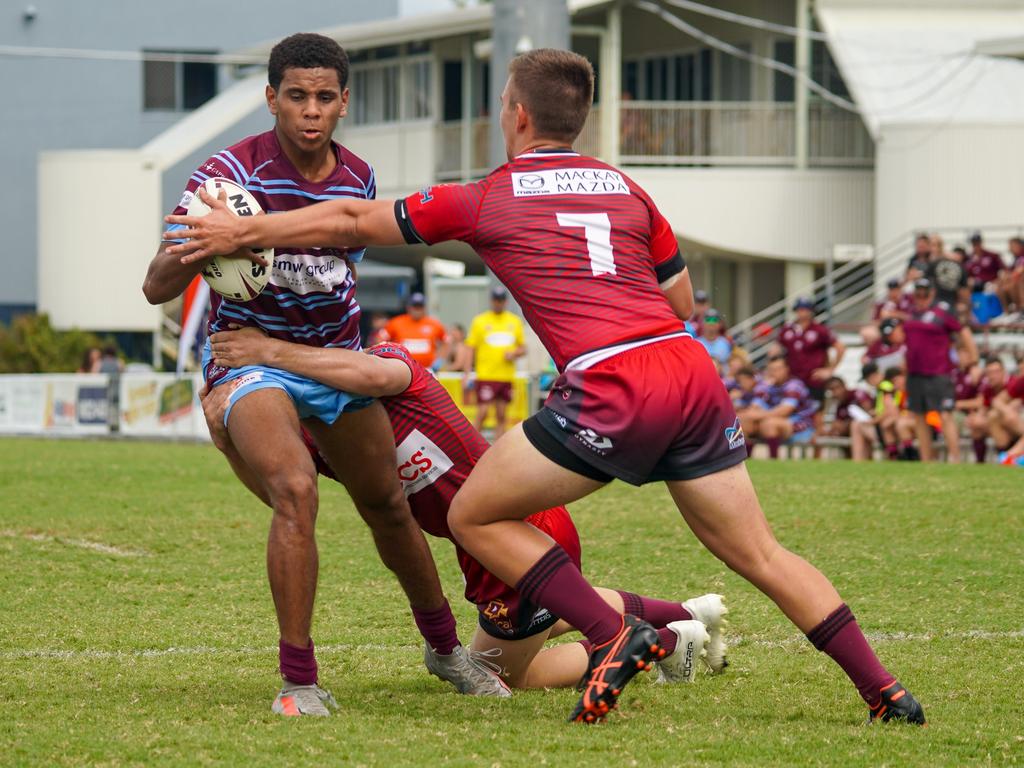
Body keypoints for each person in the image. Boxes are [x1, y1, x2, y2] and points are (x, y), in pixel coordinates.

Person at [164, 48, 926, 726]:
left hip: (613, 383)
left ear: (517, 115)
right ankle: (885, 690)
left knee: (473, 513)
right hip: (691, 372)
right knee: (760, 552)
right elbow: (685, 305)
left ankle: (610, 633)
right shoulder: (627, 190)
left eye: (501, 105)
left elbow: (354, 220)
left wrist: (243, 235)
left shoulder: (488, 196)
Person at [143, 33, 463, 717]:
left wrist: (259, 241)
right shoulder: (226, 177)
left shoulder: (359, 179)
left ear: (344, 102)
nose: (310, 110)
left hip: (332, 363)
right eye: (296, 96)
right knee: (295, 490)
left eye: (324, 97)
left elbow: (337, 276)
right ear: (272, 99)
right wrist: (198, 242)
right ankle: (298, 681)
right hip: (247, 362)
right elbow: (154, 286)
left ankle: (445, 649)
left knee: (388, 507)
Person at [203, 328, 727, 690]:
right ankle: (685, 616)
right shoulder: (324, 439)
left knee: (506, 673)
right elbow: (283, 499)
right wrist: (229, 441)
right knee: (552, 614)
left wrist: (269, 351)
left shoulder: (386, 365)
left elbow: (368, 377)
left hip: (509, 531)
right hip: (496, 541)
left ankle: (658, 642)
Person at [903, 278, 978, 462]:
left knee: (945, 414)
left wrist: (973, 359)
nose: (921, 296)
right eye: (918, 292)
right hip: (915, 373)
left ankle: (955, 458)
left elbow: (963, 332)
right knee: (919, 416)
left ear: (932, 293)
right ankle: (926, 458)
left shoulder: (942, 313)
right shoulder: (912, 315)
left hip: (938, 372)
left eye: (924, 292)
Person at [462, 286, 526, 438]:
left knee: (502, 414)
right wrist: (466, 374)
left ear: (506, 301)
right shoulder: (480, 321)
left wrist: (514, 353)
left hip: (506, 375)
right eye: (496, 300)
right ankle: (472, 444)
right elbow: (470, 348)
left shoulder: (514, 321)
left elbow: (522, 348)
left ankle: (498, 449)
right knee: (482, 412)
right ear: (491, 301)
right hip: (486, 374)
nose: (499, 303)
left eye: (501, 300)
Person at [740, 356, 819, 459]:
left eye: (777, 369)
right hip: (775, 420)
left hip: (801, 424)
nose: (773, 373)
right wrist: (764, 386)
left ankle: (774, 460)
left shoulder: (794, 385)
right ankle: (747, 461)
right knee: (743, 419)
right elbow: (755, 407)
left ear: (787, 369)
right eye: (771, 369)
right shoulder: (768, 385)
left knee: (769, 424)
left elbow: (785, 411)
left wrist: (758, 415)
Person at [776, 298, 846, 406]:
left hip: (813, 380)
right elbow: (776, 350)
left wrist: (830, 370)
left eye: (805, 309)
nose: (801, 312)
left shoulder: (820, 330)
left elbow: (840, 347)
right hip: (792, 379)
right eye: (799, 309)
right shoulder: (787, 329)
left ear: (811, 311)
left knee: (815, 411)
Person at [383, 293, 449, 371]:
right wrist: (388, 357)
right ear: (408, 307)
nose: (417, 310)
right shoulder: (396, 323)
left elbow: (446, 342)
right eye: (415, 306)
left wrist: (440, 359)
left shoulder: (434, 324)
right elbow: (380, 340)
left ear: (424, 308)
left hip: (428, 369)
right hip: (403, 369)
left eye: (420, 306)